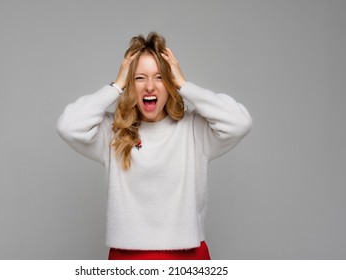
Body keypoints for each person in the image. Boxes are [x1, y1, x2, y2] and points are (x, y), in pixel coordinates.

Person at [56, 32, 252, 260]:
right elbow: (68, 126)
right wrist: (116, 85)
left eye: (159, 77)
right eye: (139, 78)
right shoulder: (114, 131)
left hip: (188, 259)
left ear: (170, 83)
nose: (150, 86)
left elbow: (240, 122)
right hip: (128, 259)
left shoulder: (193, 129)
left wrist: (184, 85)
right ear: (130, 84)